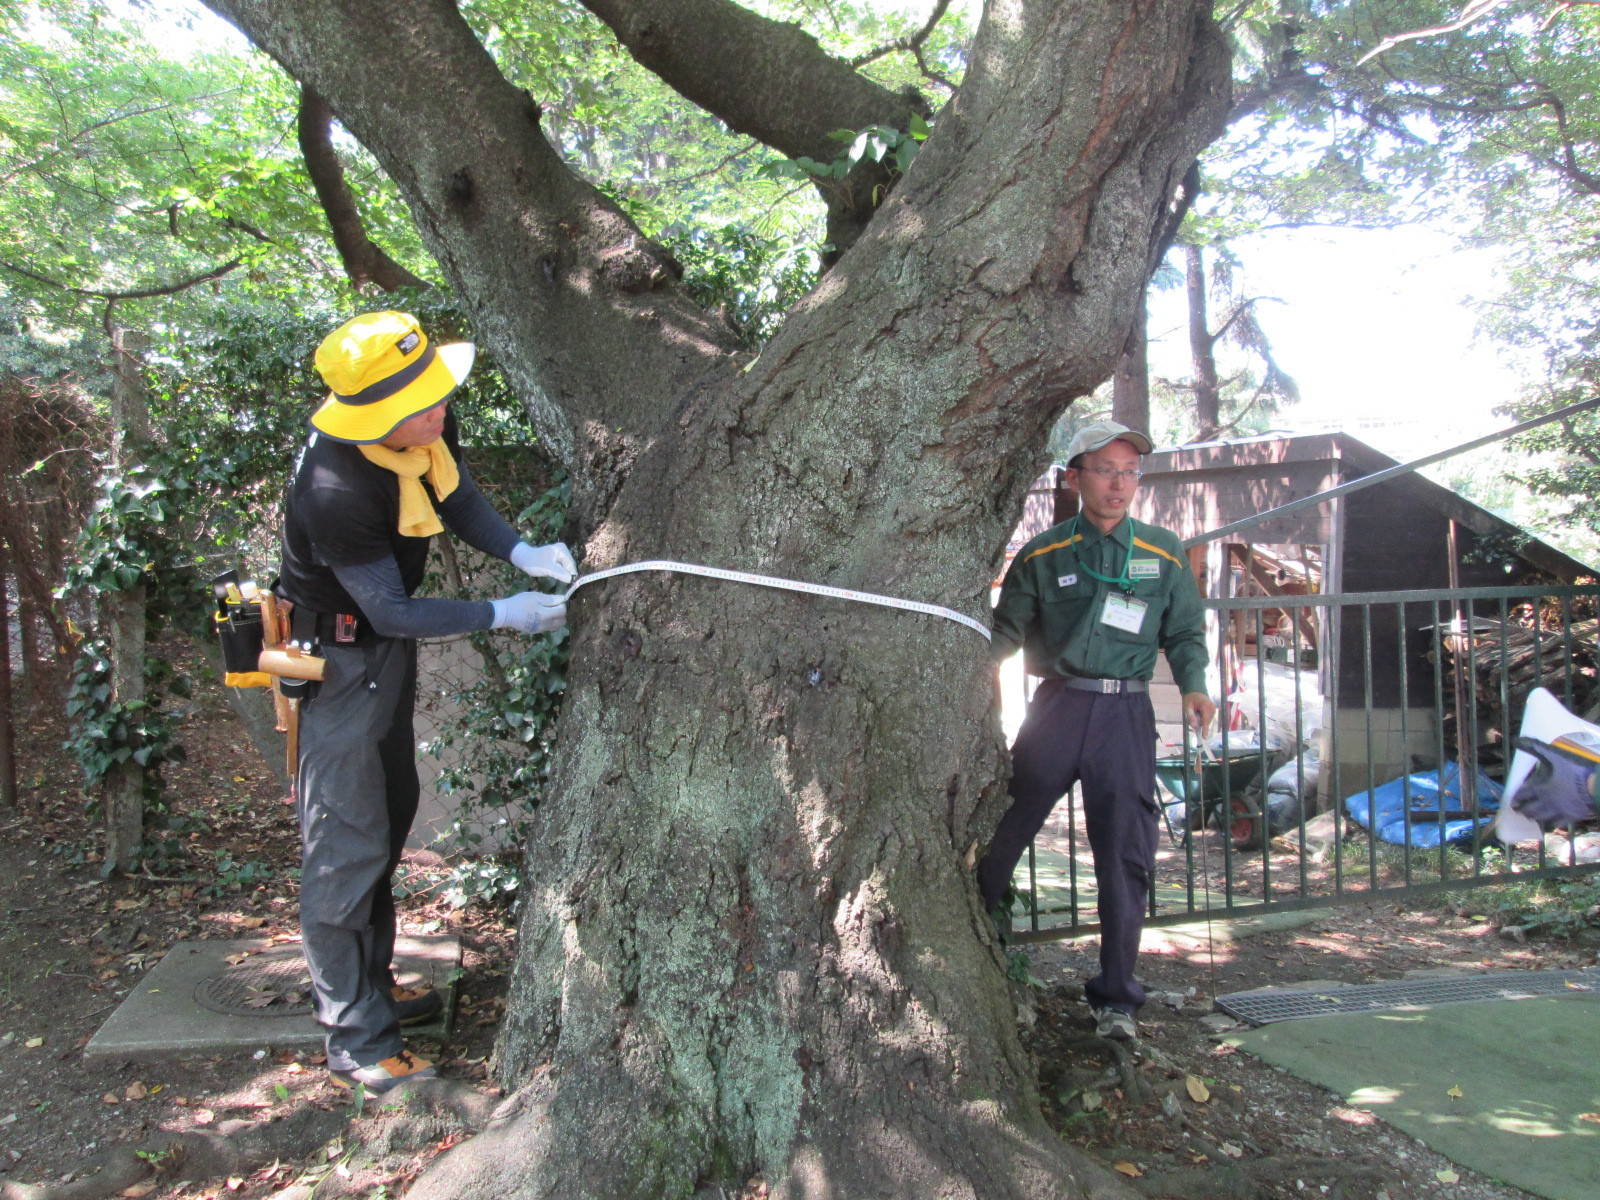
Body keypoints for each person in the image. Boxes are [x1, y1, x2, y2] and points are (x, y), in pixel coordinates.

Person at [274, 310, 575, 1092]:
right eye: (423, 405)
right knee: (346, 844)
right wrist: (499, 613)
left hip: (379, 658)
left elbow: (458, 495)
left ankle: (373, 985)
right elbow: (391, 611)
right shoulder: (336, 485)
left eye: (440, 392)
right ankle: (358, 1040)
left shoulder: (419, 423)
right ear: (374, 414)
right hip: (336, 664)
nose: (440, 410)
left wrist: (520, 550)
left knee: (388, 816)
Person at [979, 420, 1215, 1043]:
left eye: (1130, 472)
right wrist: (971, 667)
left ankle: (1116, 1000)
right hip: (1056, 709)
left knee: (1123, 857)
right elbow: (1005, 630)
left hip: (1125, 718)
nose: (1119, 483)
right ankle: (976, 952)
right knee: (1002, 832)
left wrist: (1194, 685)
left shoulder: (1164, 553)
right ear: (1074, 477)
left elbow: (1186, 633)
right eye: (1106, 470)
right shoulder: (1045, 553)